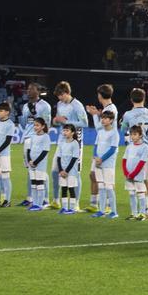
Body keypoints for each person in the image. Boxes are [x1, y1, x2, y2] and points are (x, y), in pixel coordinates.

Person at [51, 82, 88, 211]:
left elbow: (84, 123)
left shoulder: (77, 105)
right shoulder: (60, 104)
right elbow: (58, 121)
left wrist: (66, 121)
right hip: (61, 142)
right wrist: (55, 121)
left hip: (75, 142)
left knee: (75, 173)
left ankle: (76, 203)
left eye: (61, 95)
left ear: (66, 93)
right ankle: (56, 200)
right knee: (55, 171)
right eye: (58, 96)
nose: (59, 98)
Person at [120, 89, 148, 217]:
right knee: (146, 178)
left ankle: (139, 210)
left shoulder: (128, 114)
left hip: (137, 148)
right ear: (144, 99)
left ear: (131, 100)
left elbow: (123, 129)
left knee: (135, 177)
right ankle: (146, 208)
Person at [84, 84, 117, 214]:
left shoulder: (110, 109)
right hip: (101, 148)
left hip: (107, 149)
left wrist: (93, 115)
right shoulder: (109, 108)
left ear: (100, 95)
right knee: (94, 175)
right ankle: (96, 204)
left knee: (107, 180)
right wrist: (98, 114)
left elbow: (99, 128)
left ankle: (107, 205)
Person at [18, 84, 52, 207]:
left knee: (41, 170)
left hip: (38, 139)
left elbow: (47, 123)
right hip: (28, 138)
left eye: (31, 89)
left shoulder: (45, 106)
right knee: (30, 169)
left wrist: (42, 137)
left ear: (38, 91)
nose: (28, 91)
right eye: (28, 89)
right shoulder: (25, 106)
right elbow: (24, 123)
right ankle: (31, 197)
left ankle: (45, 198)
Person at [90, 110, 120, 218]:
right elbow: (96, 146)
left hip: (108, 164)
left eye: (106, 118)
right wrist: (95, 156)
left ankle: (114, 212)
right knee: (101, 187)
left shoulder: (114, 133)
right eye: (102, 118)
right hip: (98, 163)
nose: (103, 120)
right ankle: (101, 210)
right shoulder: (100, 132)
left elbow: (113, 149)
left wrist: (101, 159)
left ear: (111, 120)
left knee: (109, 187)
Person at [122, 125, 148, 220]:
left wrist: (133, 174)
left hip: (138, 175)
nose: (132, 136)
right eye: (131, 134)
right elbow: (124, 160)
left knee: (140, 193)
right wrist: (126, 172)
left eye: (135, 134)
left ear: (140, 135)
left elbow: (141, 163)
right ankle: (134, 213)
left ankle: (142, 213)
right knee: (131, 193)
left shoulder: (144, 147)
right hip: (128, 175)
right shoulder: (129, 146)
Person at [56, 124, 82, 215]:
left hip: (71, 171)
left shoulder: (75, 143)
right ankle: (64, 207)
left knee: (71, 189)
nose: (65, 132)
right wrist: (60, 170)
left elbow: (74, 159)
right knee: (63, 188)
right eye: (64, 130)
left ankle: (72, 208)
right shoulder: (61, 143)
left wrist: (66, 171)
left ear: (72, 133)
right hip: (62, 171)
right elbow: (58, 157)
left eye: (67, 130)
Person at [24, 118, 50, 210]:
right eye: (34, 125)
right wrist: (30, 161)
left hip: (40, 164)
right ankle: (34, 203)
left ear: (43, 126)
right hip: (32, 164)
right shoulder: (32, 136)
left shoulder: (46, 137)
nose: (35, 127)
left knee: (40, 183)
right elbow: (28, 150)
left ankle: (39, 204)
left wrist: (35, 162)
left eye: (37, 125)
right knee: (33, 184)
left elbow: (45, 151)